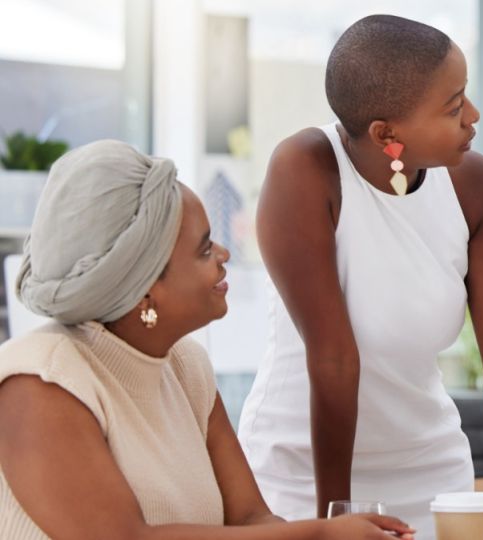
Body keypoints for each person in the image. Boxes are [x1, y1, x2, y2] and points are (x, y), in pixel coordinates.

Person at [235, 15, 483, 540]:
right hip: (300, 475)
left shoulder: (473, 184)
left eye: (466, 96)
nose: (473, 116)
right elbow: (333, 358)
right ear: (387, 134)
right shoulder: (306, 169)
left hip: (432, 476)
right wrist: (334, 519)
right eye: (453, 108)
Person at [0, 140, 411, 539]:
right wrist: (320, 534)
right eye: (202, 250)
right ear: (144, 290)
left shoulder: (186, 366)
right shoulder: (40, 384)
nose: (223, 254)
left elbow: (251, 519)